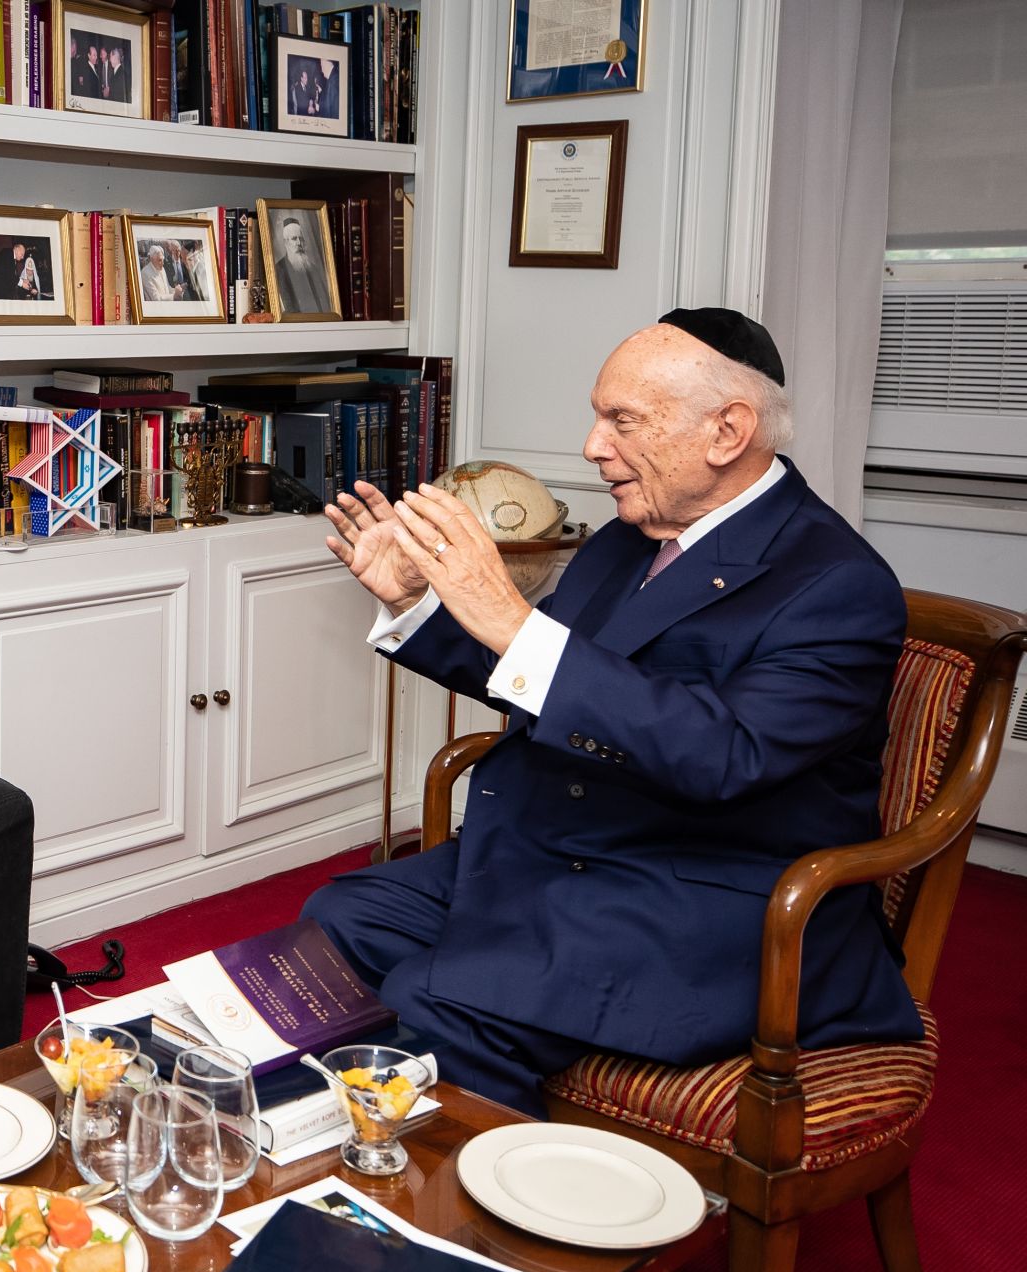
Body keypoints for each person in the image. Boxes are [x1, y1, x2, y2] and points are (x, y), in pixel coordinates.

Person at [302, 309, 923, 1120]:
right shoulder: (632, 537)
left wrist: (514, 619)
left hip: (710, 900)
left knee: (442, 997)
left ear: (727, 431)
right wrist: (419, 603)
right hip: (568, 846)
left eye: (622, 420)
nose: (594, 446)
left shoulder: (837, 583)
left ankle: (468, 1229)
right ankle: (361, 1145)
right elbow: (533, 675)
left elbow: (723, 755)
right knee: (337, 922)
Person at [271, 213, 331, 315]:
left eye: (301, 238)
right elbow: (287, 306)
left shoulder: (313, 268)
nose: (299, 243)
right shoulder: (279, 269)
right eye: (294, 238)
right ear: (286, 242)